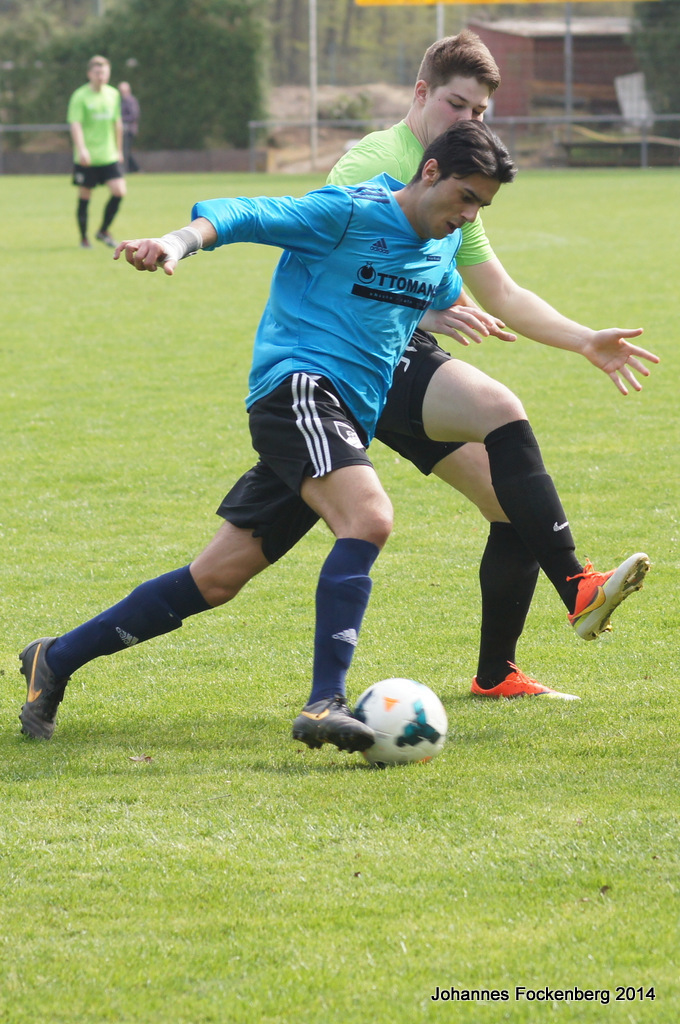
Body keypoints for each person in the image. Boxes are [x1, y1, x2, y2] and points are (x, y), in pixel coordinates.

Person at [18, 121, 649, 751]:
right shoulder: (348, 211)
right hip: (297, 390)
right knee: (369, 517)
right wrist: (176, 242)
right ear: (430, 172)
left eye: (481, 205)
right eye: (465, 197)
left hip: (346, 417)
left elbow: (434, 292)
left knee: (216, 579)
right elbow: (244, 214)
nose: (469, 215)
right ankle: (325, 702)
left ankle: (55, 657)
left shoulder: (441, 247)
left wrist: (448, 316)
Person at [327, 31, 658, 700]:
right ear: (421, 92)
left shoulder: (462, 175)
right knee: (502, 410)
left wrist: (584, 340)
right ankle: (579, 586)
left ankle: (496, 675)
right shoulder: (378, 160)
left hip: (399, 351)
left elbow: (500, 292)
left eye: (480, 112)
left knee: (513, 506)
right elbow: (325, 257)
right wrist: (423, 313)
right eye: (457, 105)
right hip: (357, 354)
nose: (469, 121)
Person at [67, 55, 126, 249]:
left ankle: (103, 231)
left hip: (108, 155)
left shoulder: (113, 94)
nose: (101, 76)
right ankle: (84, 238)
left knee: (119, 191)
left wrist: (119, 150)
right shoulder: (80, 96)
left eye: (104, 72)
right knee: (85, 195)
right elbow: (75, 124)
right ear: (89, 74)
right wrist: (82, 149)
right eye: (97, 72)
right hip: (88, 157)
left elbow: (117, 123)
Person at [118, 81, 141, 173]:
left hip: (129, 130)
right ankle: (136, 169)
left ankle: (125, 169)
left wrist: (120, 119)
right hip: (122, 130)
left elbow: (134, 115)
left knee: (125, 151)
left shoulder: (131, 101)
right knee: (125, 151)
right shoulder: (120, 101)